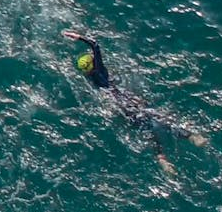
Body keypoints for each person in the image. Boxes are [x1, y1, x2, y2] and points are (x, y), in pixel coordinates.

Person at [64, 31, 208, 174]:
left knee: (147, 130)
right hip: (126, 100)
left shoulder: (90, 78)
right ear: (92, 64)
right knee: (160, 119)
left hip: (118, 107)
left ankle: (161, 158)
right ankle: (191, 136)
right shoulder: (99, 70)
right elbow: (95, 45)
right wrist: (79, 37)